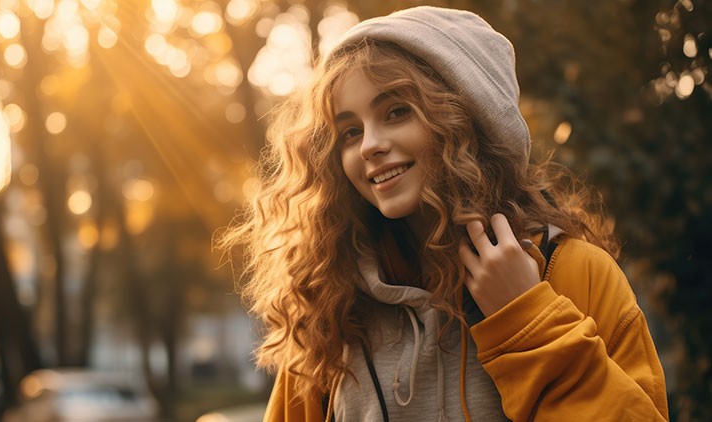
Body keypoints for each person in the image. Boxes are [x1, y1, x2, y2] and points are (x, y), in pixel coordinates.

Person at [220, 6, 668, 421]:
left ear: (466, 121)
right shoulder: (331, 306)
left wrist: (526, 319)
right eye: (350, 131)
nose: (370, 145)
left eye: (396, 112)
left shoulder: (573, 273)